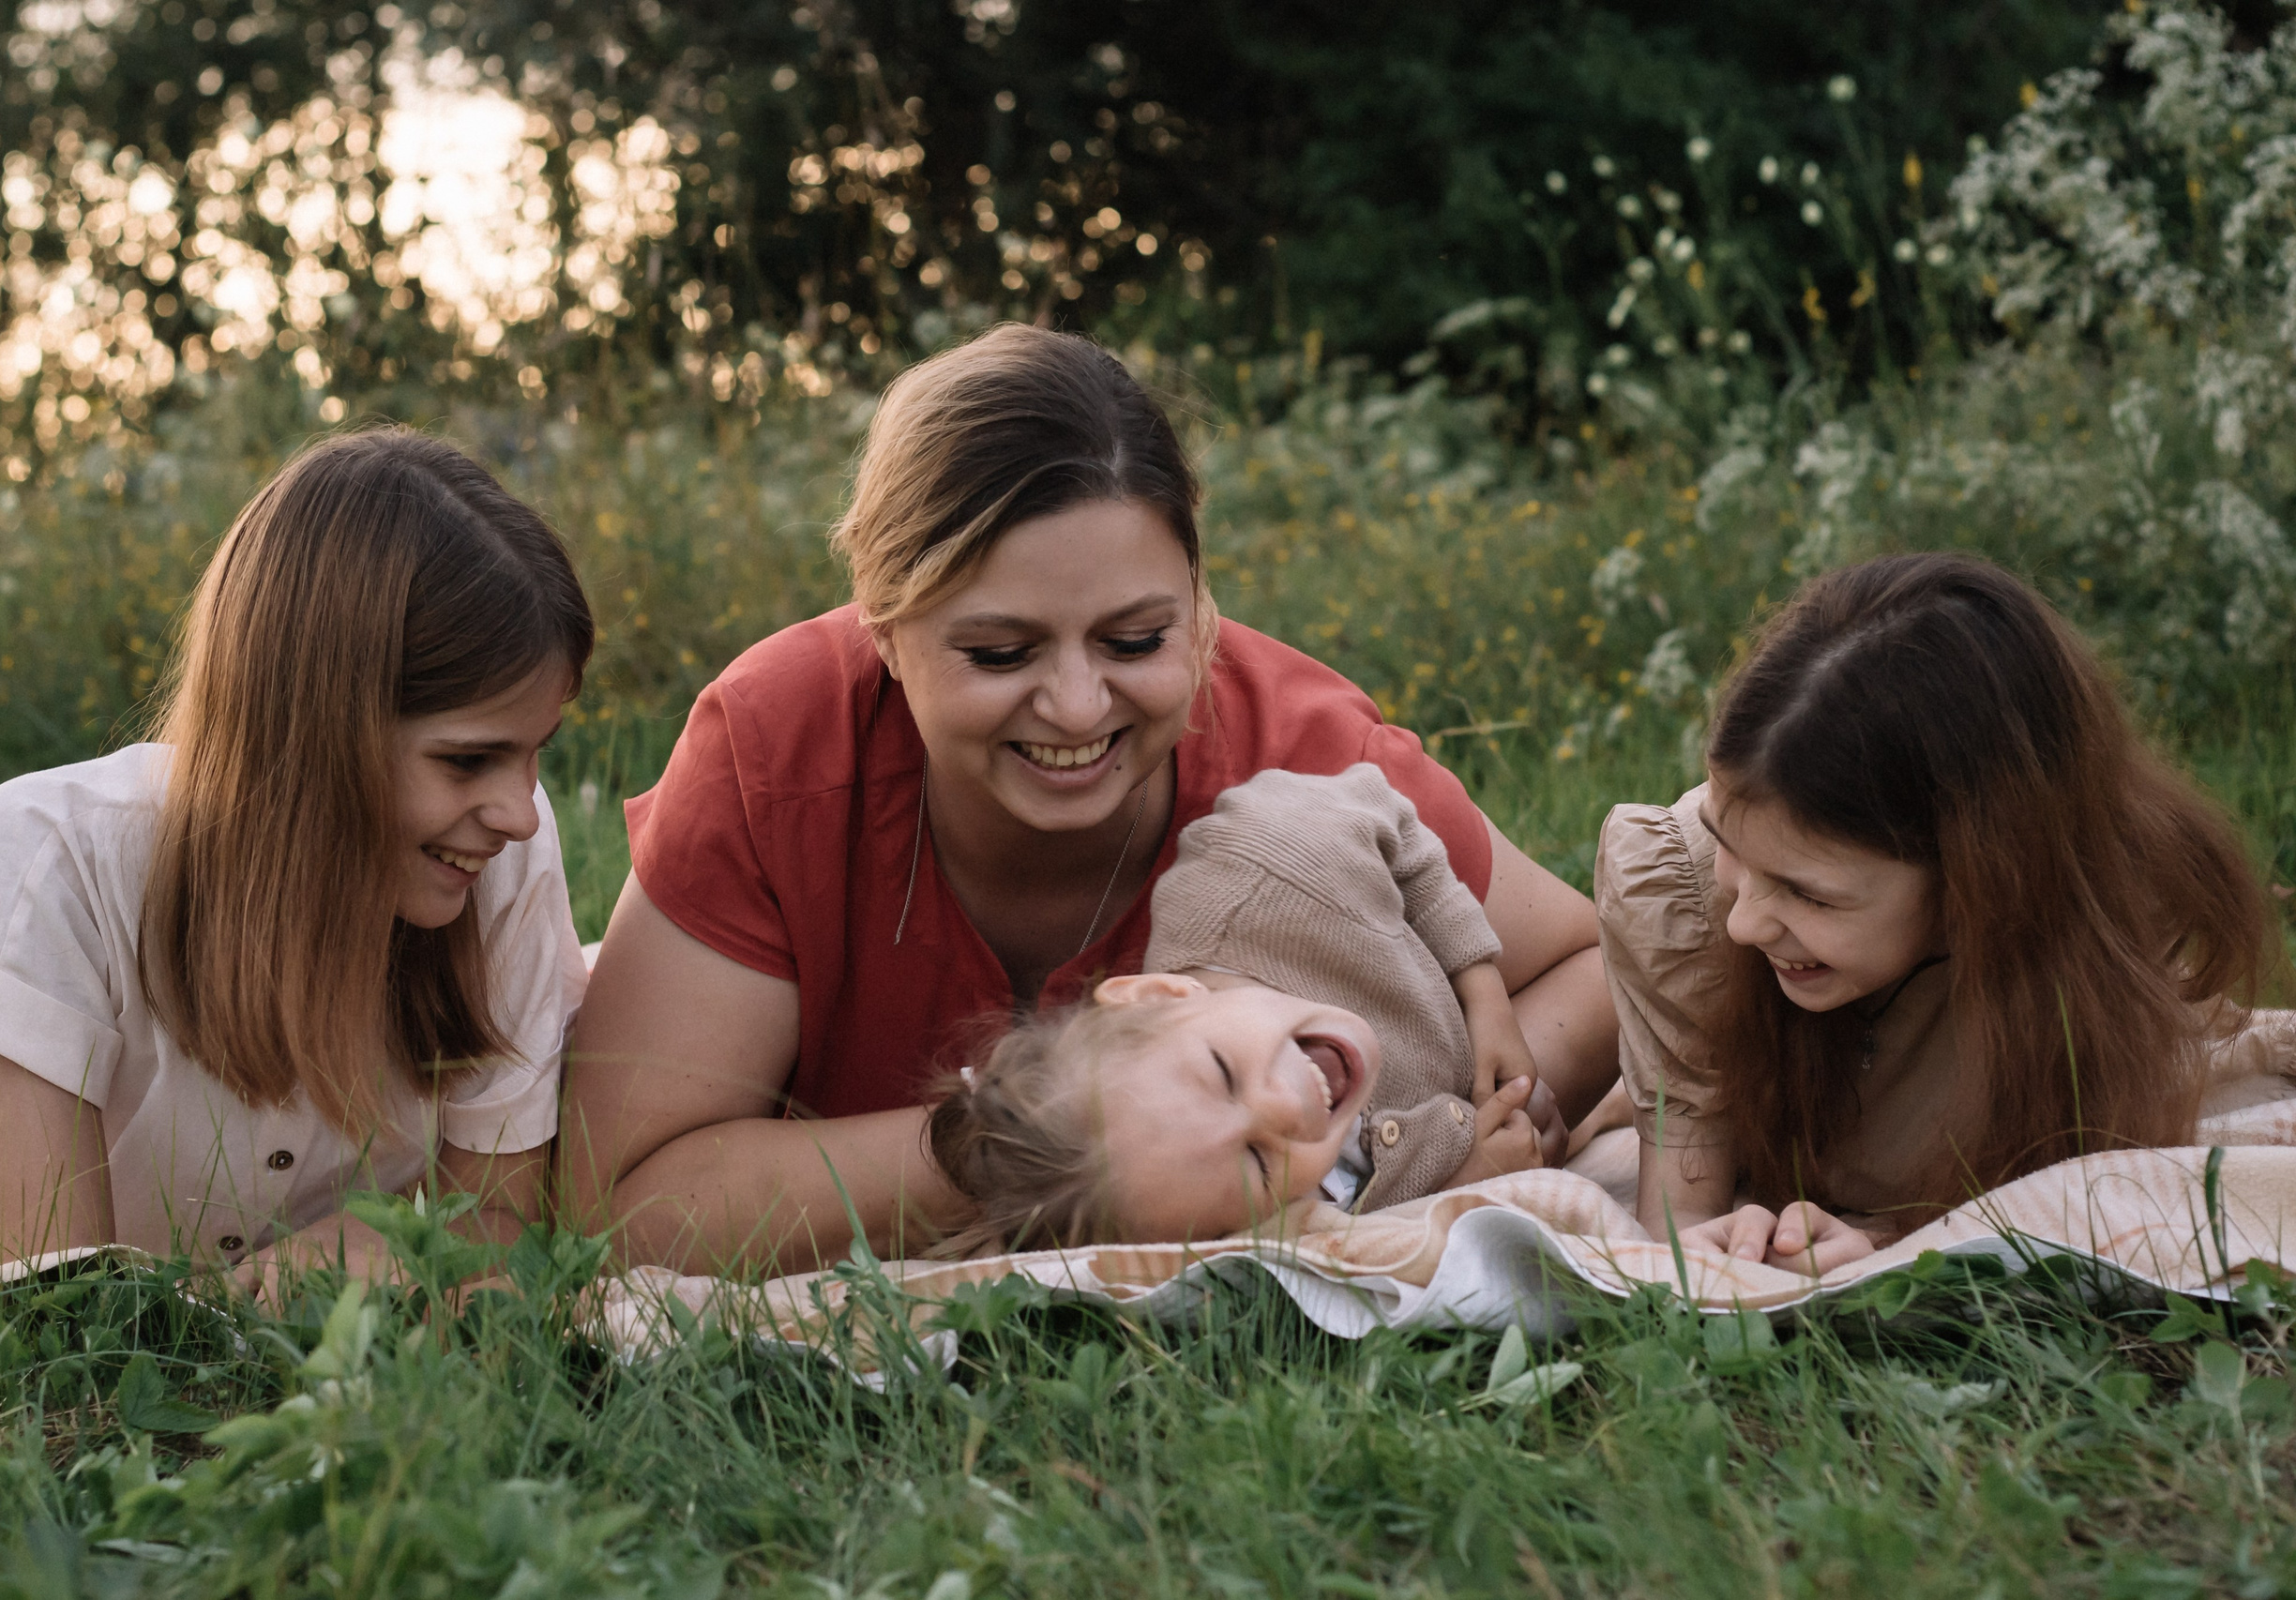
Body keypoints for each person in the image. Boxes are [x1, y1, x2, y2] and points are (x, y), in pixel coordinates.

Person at [563, 325, 1622, 1274]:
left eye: (1135, 641)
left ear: (1201, 602)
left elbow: (1594, 966)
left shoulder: (1302, 757)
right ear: (881, 627)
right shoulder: (775, 746)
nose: (1075, 706)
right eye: (999, 650)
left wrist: (1425, 1138)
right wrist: (1061, 1154)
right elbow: (615, 1201)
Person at [0, 429, 594, 1285]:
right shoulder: (52, 861)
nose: (520, 815)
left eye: (537, 754)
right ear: (310, 734)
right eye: (466, 760)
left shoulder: (498, 865)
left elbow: (499, 1227)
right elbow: (57, 1323)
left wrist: (386, 1243)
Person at [1598, 552, 2287, 1274]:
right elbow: (1681, 1214)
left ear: (1981, 878)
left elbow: (2047, 1198)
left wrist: (1886, 1250)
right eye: (1727, 845)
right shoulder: (1684, 900)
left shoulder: (2099, 936)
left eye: (1810, 894)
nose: (1746, 922)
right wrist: (1717, 1244)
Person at [924, 763, 1552, 1255]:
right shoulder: (1286, 1215)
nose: (1285, 1108)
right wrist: (1467, 1183)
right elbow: (1364, 1225)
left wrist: (1483, 990)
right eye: (1256, 1163)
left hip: (1477, 1006)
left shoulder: (1266, 867)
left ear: (1159, 995)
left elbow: (1387, 815)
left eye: (1224, 1073)